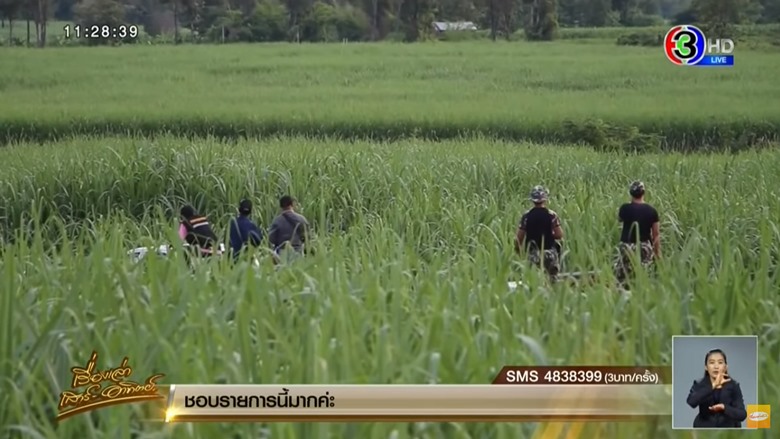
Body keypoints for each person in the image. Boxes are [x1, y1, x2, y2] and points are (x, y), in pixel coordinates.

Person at [613, 181, 661, 287]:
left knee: (622, 274)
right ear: (644, 193)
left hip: (627, 245)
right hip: (644, 246)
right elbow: (656, 234)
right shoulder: (652, 211)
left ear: (631, 193)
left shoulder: (624, 208)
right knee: (644, 274)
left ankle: (620, 292)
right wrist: (657, 253)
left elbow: (620, 220)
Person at [686, 348, 747, 428]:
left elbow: (742, 414)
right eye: (712, 363)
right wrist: (713, 386)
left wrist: (724, 407)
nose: (716, 366)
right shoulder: (699, 384)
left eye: (720, 362)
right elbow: (691, 402)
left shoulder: (733, 386)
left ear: (725, 367)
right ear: (706, 367)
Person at [514, 186, 564, 277]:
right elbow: (559, 235)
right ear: (545, 199)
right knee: (552, 278)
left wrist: (519, 251)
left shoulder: (526, 216)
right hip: (549, 254)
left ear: (532, 200)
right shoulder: (551, 215)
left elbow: (518, 238)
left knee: (533, 279)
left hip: (533, 254)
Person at [268, 195, 310, 263]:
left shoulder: (277, 221)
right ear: (292, 204)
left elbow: (271, 239)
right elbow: (308, 237)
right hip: (297, 252)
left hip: (282, 253)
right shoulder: (302, 219)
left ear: (281, 206)